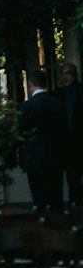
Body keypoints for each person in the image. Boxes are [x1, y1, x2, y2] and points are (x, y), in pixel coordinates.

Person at [19, 66, 67, 212]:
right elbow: (64, 131)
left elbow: (21, 131)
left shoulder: (26, 107)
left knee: (39, 201)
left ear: (30, 84)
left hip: (34, 158)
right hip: (55, 157)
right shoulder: (58, 105)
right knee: (56, 201)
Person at [57, 60, 83, 206]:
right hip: (65, 145)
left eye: (68, 73)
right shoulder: (56, 95)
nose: (65, 77)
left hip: (80, 141)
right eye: (62, 73)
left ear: (75, 75)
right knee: (72, 179)